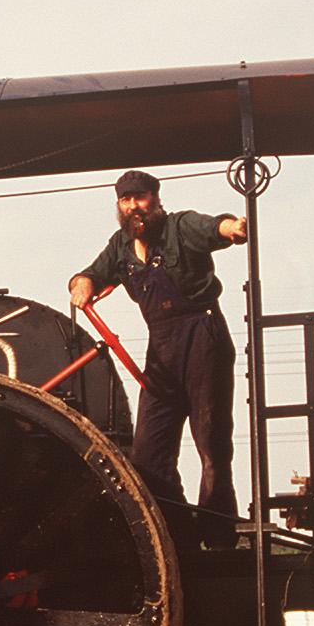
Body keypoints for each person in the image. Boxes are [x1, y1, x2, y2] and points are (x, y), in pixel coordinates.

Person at [66, 169, 247, 535]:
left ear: (156, 199)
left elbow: (216, 227)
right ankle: (177, 535)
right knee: (148, 452)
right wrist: (81, 284)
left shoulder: (180, 227)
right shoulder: (120, 245)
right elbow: (90, 273)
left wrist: (233, 228)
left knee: (210, 439)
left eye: (140, 197)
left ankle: (217, 532)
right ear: (118, 205)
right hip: (161, 348)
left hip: (202, 335)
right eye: (126, 200)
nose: (134, 206)